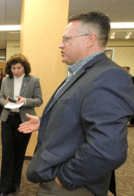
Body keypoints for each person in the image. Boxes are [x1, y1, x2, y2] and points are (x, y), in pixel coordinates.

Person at [18, 11, 134, 196]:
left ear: (89, 39)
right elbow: (78, 113)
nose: (60, 44)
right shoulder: (83, 73)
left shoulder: (108, 76)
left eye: (66, 39)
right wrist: (45, 122)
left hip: (72, 185)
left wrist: (63, 178)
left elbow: (108, 149)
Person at [0, 54, 43, 196]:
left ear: (24, 67)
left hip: (24, 121)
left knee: (19, 153)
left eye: (19, 68)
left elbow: (39, 100)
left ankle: (15, 183)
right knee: (7, 154)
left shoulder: (33, 80)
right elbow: (1, 97)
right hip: (8, 120)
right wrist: (5, 102)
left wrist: (25, 101)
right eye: (13, 68)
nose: (16, 71)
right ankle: (4, 188)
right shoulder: (5, 80)